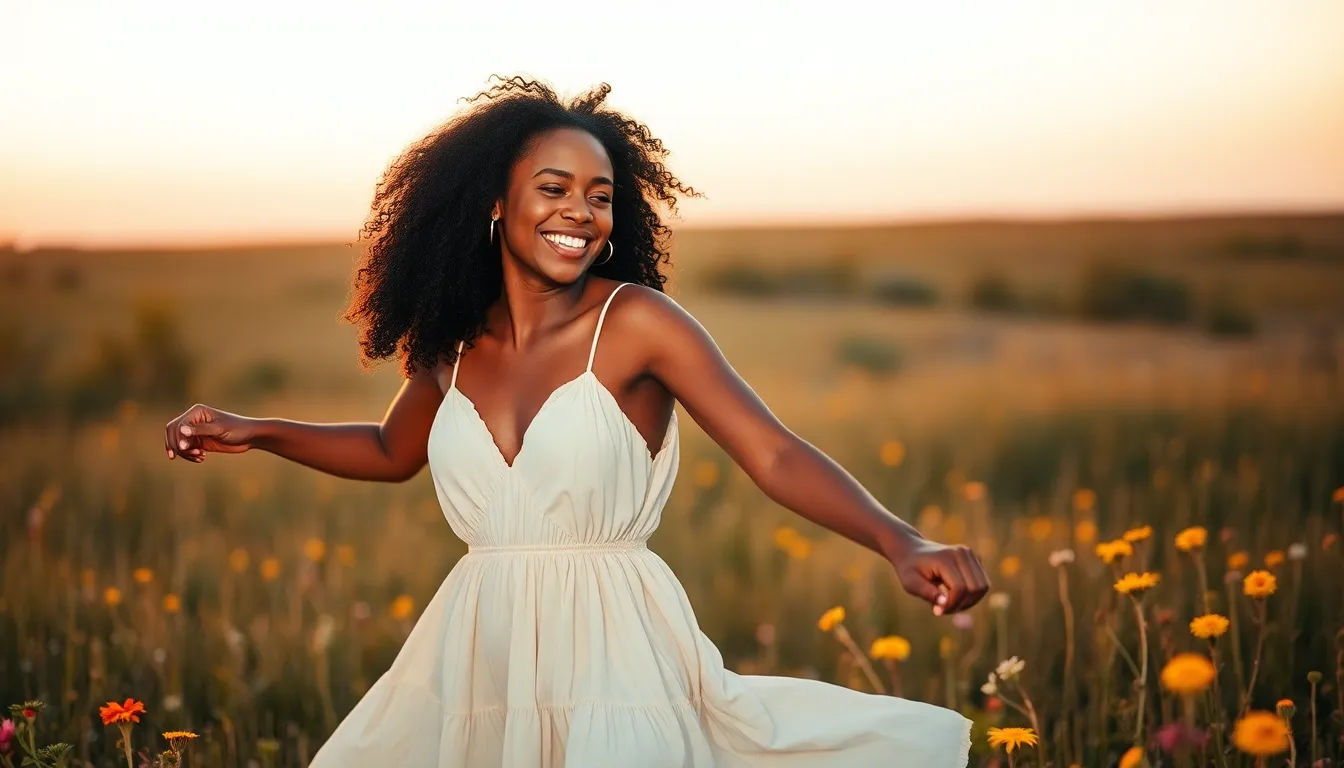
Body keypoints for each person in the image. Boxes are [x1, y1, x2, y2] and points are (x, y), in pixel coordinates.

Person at [163, 75, 987, 767]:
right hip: (481, 652)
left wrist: (899, 539)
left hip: (614, 646)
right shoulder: (454, 342)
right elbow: (389, 450)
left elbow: (770, 453)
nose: (580, 214)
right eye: (553, 190)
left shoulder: (637, 323)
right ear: (495, 201)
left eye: (600, 197)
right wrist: (258, 429)